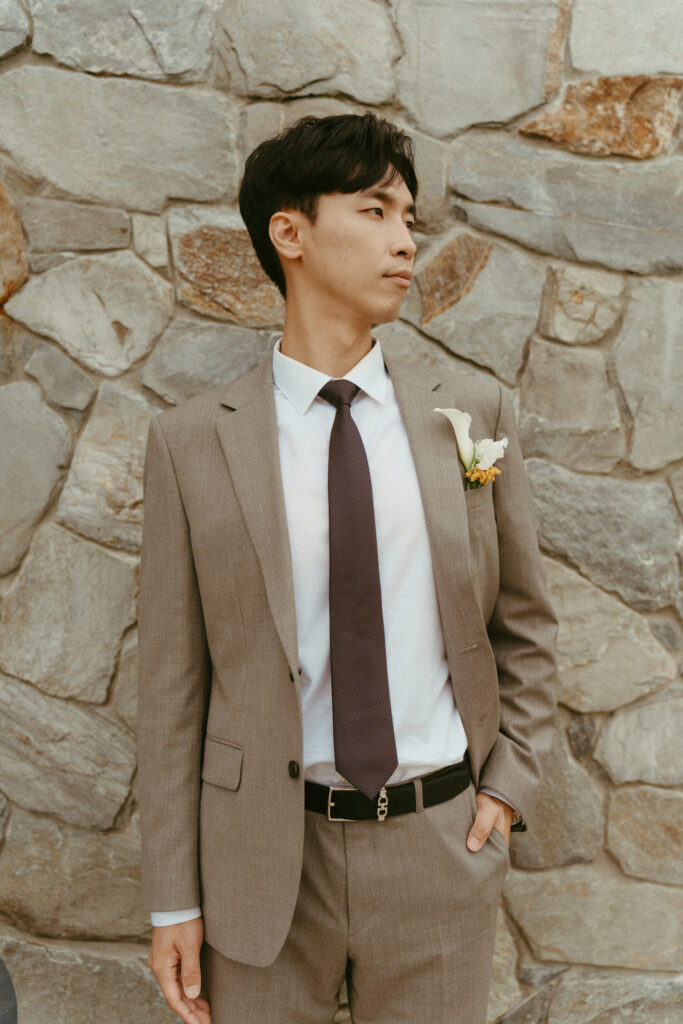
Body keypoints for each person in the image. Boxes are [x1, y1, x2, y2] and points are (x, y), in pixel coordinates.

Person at [137, 112, 559, 1024]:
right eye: (373, 212)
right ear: (288, 232)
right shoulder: (191, 443)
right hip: (260, 865)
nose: (404, 240)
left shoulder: (472, 412)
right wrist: (174, 896)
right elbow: (172, 686)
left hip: (441, 848)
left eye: (408, 217)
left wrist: (508, 788)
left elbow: (523, 623)